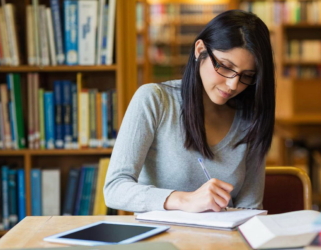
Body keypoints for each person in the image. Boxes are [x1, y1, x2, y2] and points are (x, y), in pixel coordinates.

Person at [104, 9, 275, 213]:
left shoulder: (251, 119)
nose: (232, 84)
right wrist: (184, 200)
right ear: (200, 49)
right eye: (225, 67)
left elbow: (249, 208)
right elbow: (115, 188)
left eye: (247, 75)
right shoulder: (154, 100)